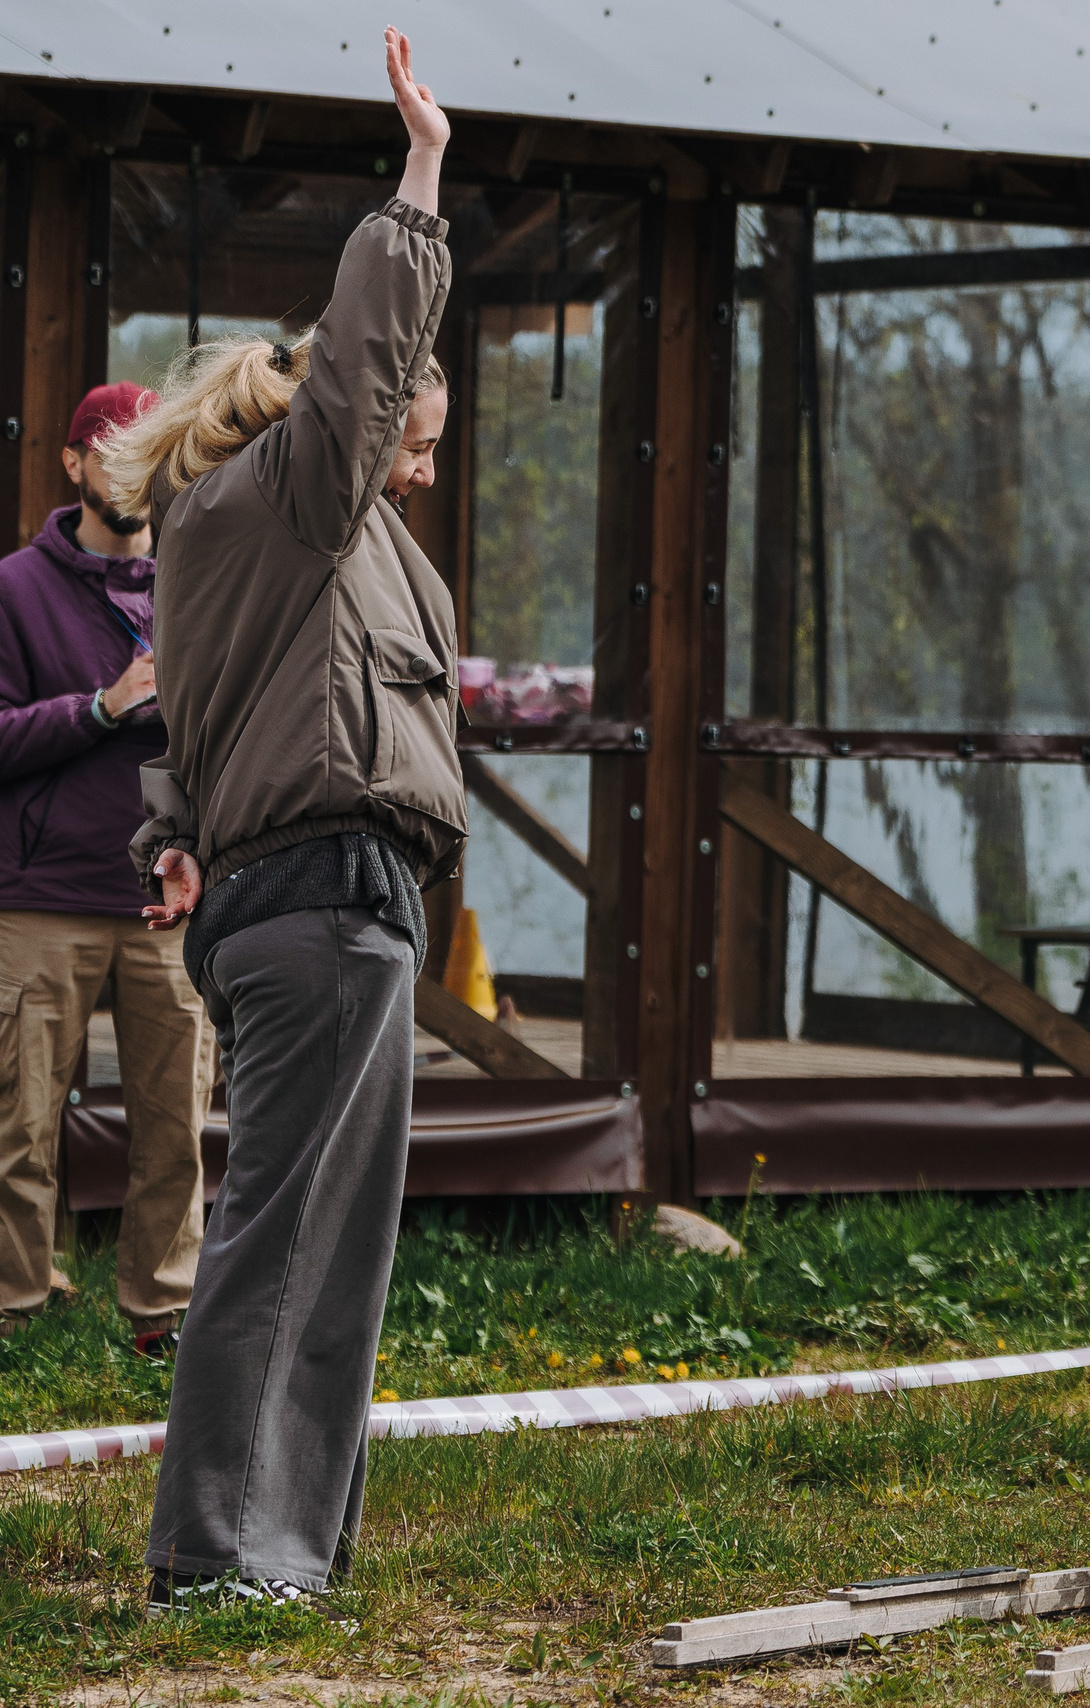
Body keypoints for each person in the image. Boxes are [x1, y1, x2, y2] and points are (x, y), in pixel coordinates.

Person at [100, 28, 463, 1611]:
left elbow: (184, 737)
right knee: (292, 1236)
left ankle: (275, 1543)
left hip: (305, 899)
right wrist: (421, 182)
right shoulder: (298, 499)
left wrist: (171, 843)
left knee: (315, 1237)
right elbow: (365, 355)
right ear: (342, 420)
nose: (420, 475)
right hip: (323, 902)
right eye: (416, 444)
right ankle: (224, 1551)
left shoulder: (226, 536)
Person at [0, 382, 216, 1354]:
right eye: (109, 451)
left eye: (147, 453)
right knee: (17, 1125)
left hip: (164, 900)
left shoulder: (199, 582)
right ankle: (11, 1304)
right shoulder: (14, 588)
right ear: (75, 463)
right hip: (39, 897)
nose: (127, 470)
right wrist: (101, 706)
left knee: (176, 1123)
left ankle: (161, 1310)